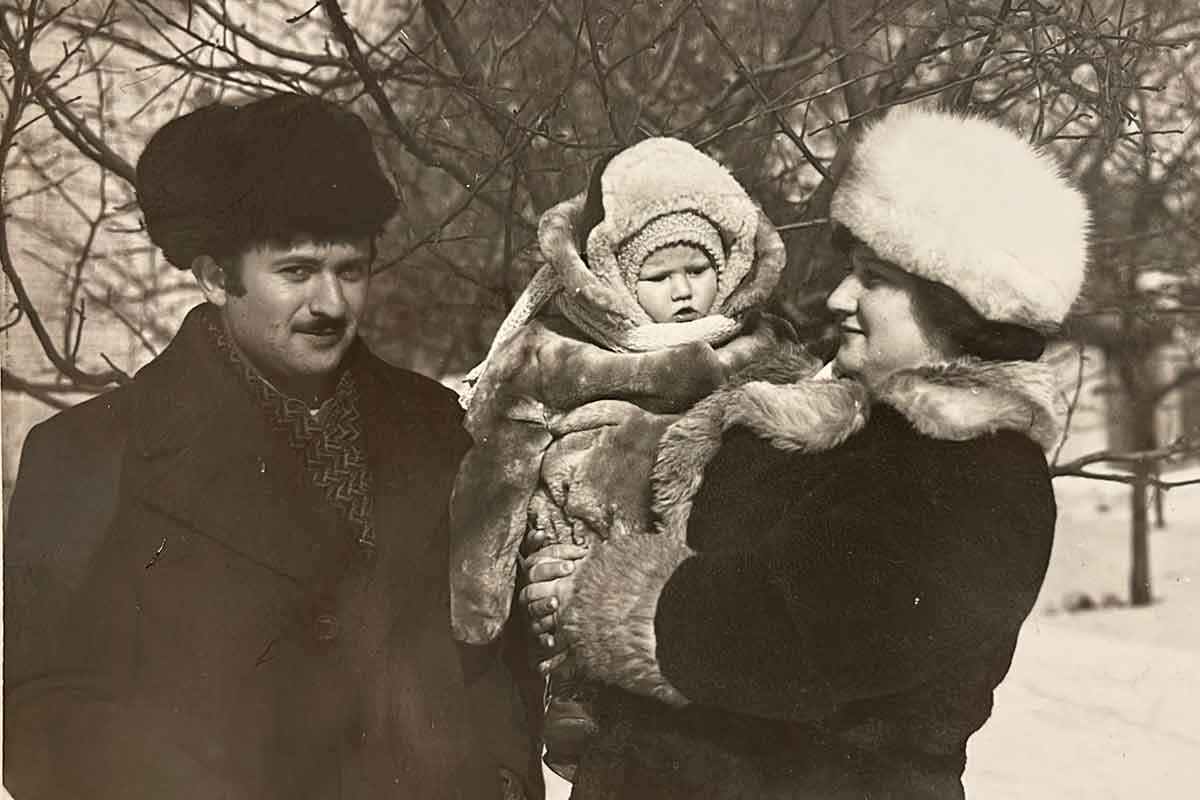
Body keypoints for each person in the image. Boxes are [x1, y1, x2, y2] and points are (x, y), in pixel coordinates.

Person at [522, 104, 1090, 799]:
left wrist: (601, 594)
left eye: (875, 278)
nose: (840, 297)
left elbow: (803, 631)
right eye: (850, 269)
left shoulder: (979, 468)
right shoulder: (820, 413)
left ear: (958, 304)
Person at [3, 93, 541, 800]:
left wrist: (501, 779)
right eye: (296, 272)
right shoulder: (87, 455)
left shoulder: (441, 428)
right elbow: (38, 716)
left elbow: (498, 659)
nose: (330, 304)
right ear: (214, 276)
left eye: (351, 270)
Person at [449, 137, 796, 778]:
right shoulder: (560, 352)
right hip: (577, 548)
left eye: (698, 269)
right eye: (659, 277)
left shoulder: (764, 348)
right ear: (619, 279)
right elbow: (497, 467)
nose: (683, 290)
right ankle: (575, 694)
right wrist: (480, 599)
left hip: (691, 582)